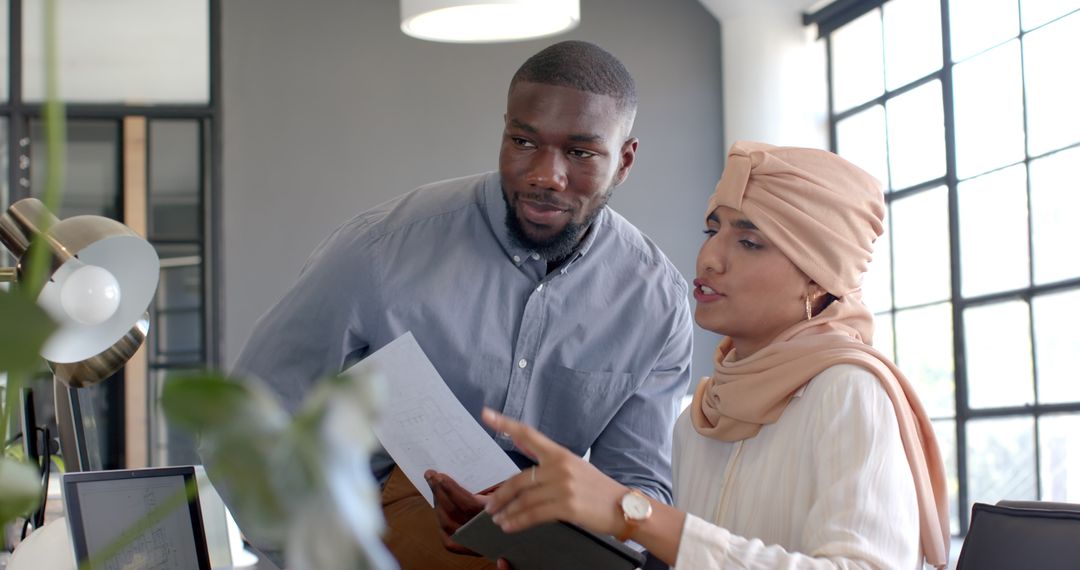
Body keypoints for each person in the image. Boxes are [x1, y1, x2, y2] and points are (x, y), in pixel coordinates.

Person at [230, 40, 694, 569]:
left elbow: (636, 490)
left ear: (624, 161)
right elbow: (246, 414)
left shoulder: (656, 303)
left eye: (581, 153)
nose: (545, 175)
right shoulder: (379, 249)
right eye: (523, 141)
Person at [481, 141, 951, 569]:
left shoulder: (849, 392)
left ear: (818, 276)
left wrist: (632, 513)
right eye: (712, 229)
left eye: (749, 242)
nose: (709, 258)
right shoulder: (704, 414)